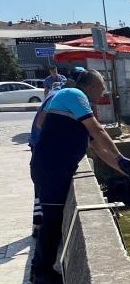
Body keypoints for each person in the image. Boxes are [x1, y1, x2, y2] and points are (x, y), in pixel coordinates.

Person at [30, 69, 130, 284]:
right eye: (101, 87)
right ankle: (41, 272)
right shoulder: (75, 96)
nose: (103, 92)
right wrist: (121, 156)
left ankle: (40, 269)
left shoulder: (66, 100)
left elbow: (97, 147)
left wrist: (122, 168)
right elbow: (98, 132)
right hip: (53, 169)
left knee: (52, 219)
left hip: (52, 167)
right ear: (90, 87)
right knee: (51, 221)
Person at [28, 67, 86, 237]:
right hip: (43, 147)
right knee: (44, 190)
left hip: (40, 145)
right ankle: (41, 228)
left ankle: (38, 225)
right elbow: (41, 123)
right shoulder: (64, 95)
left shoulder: (57, 92)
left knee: (41, 191)